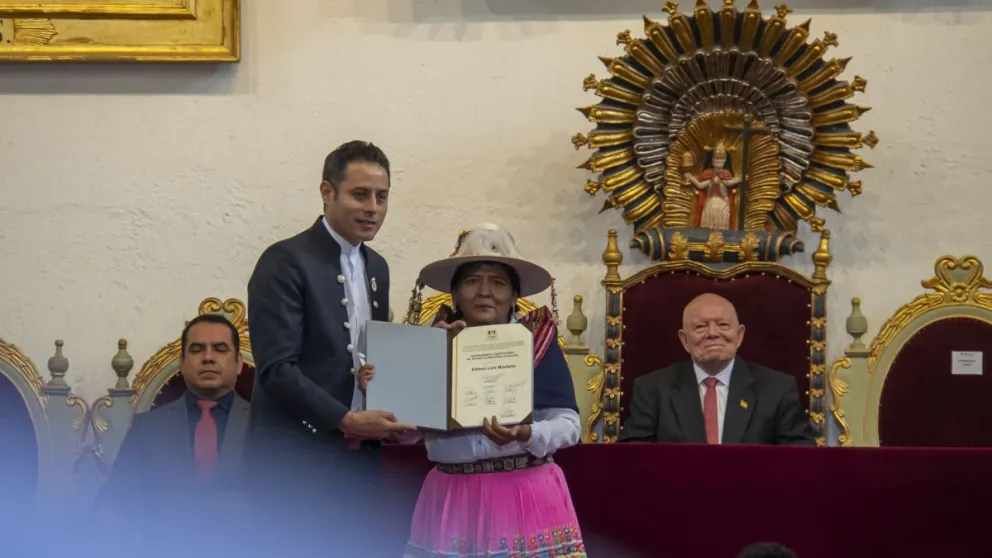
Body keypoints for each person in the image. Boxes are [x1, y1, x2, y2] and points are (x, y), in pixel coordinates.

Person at [243, 140, 413, 554]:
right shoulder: (284, 261)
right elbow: (276, 369)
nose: (373, 208)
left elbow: (369, 360)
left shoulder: (377, 266)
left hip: (357, 462)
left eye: (382, 197)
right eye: (360, 194)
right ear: (327, 192)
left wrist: (430, 350)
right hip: (292, 465)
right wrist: (344, 419)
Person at [390, 223, 586, 558]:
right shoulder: (429, 345)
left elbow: (569, 425)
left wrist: (527, 433)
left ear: (514, 296)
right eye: (472, 281)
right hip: (452, 498)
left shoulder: (537, 342)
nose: (484, 292)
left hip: (525, 495)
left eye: (498, 283)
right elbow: (401, 431)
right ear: (454, 294)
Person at [92, 313, 250, 542]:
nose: (208, 357)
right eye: (197, 349)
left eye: (220, 349)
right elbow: (115, 500)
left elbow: (286, 505)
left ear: (239, 363)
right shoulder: (147, 428)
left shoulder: (267, 426)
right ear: (182, 364)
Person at [620, 293, 815, 445]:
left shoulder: (777, 389)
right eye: (700, 327)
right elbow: (632, 460)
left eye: (723, 325)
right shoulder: (652, 389)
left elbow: (801, 458)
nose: (713, 333)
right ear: (684, 340)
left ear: (739, 335)